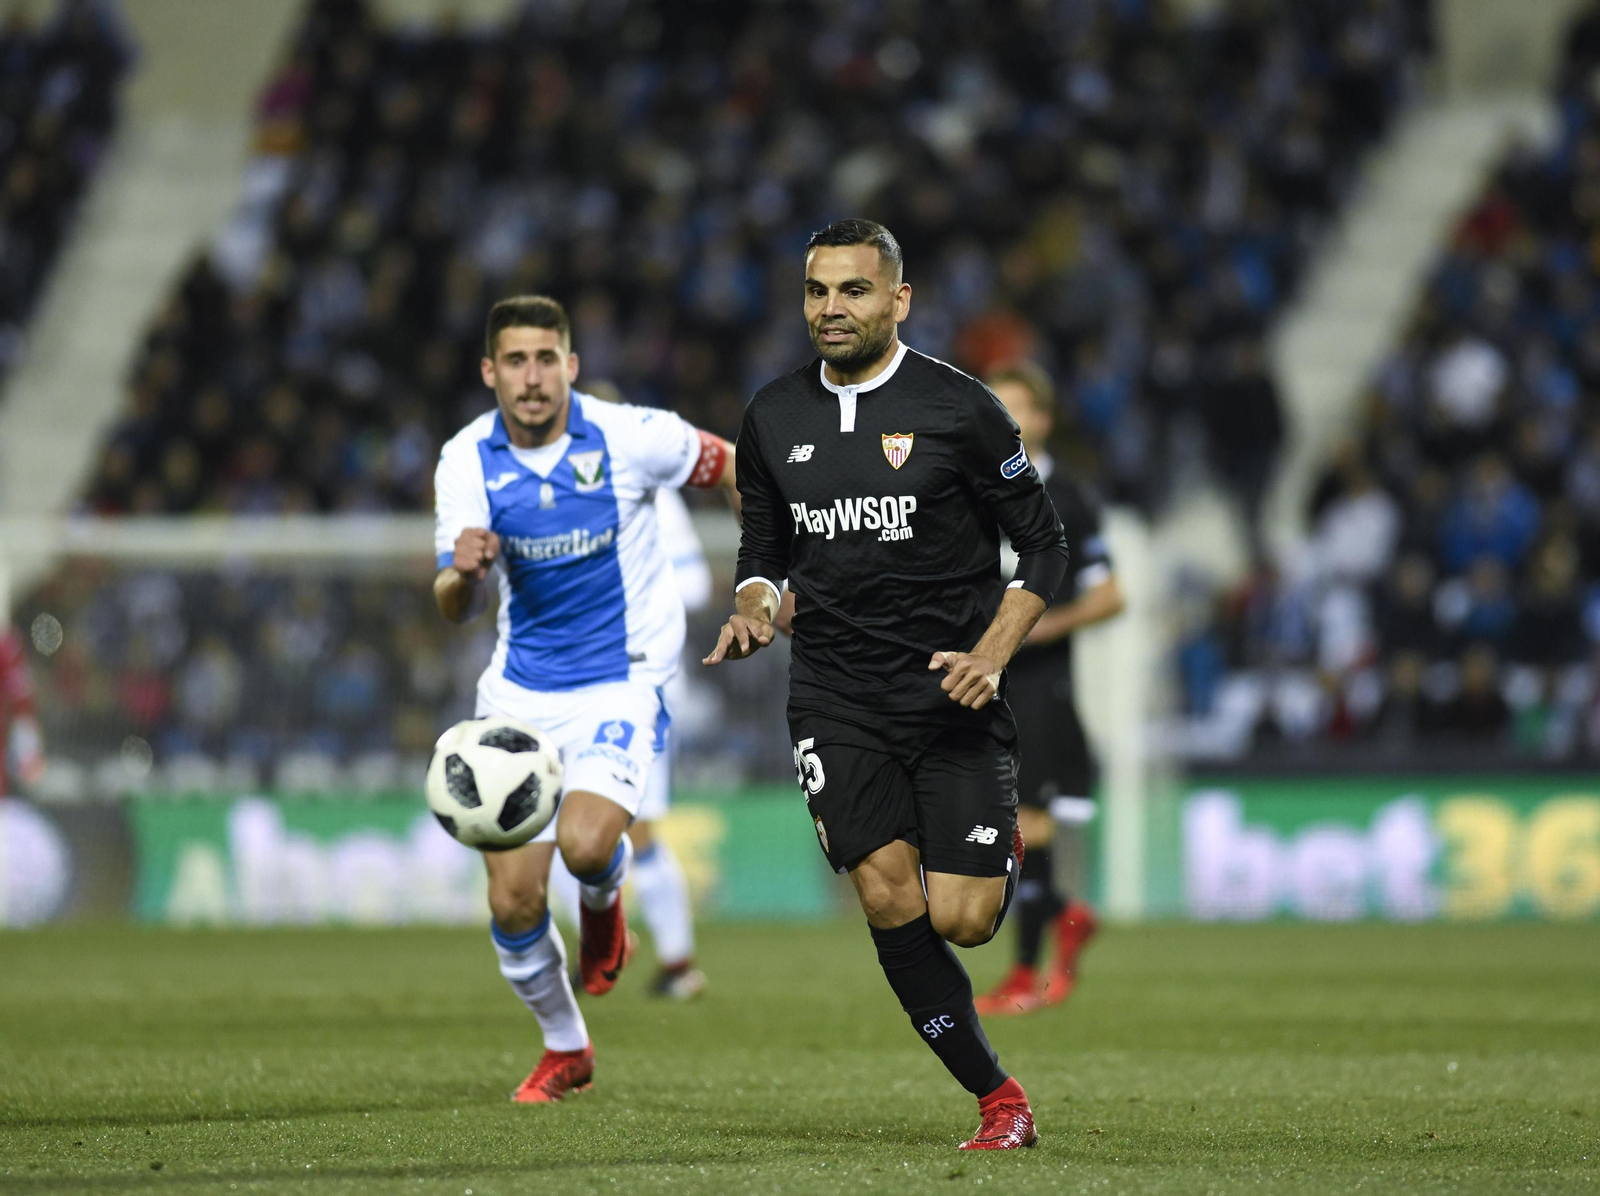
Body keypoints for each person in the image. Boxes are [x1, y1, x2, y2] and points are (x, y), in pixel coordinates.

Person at [704, 219, 1069, 1151]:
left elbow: (1043, 545)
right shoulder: (772, 415)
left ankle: (993, 846)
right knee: (886, 894)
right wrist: (752, 607)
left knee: (965, 918)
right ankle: (999, 1097)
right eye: (818, 290)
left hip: (953, 694)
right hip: (835, 697)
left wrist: (992, 653)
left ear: (898, 300)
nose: (832, 308)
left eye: (854, 290)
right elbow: (762, 552)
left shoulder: (961, 407)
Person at [433, 295, 738, 1103]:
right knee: (513, 898)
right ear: (490, 372)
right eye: (516, 361)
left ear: (570, 365)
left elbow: (738, 466)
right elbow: (453, 603)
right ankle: (565, 1046)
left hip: (621, 679)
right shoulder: (465, 459)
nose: (532, 378)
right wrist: (461, 573)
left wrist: (762, 580)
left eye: (546, 359)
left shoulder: (632, 435)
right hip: (519, 693)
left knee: (586, 842)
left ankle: (605, 905)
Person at [547, 382, 710, 1000]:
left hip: (639, 681)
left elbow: (695, 586)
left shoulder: (652, 495)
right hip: (564, 684)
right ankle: (611, 941)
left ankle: (675, 963)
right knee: (564, 825)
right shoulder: (546, 496)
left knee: (635, 828)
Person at [974, 363, 1124, 1016]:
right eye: (995, 409)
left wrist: (1033, 628)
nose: (1005, 422)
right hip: (976, 679)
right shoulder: (967, 487)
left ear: (1041, 419)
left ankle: (1023, 975)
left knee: (1027, 824)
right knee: (989, 827)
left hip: (1039, 685)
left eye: (1017, 409)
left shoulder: (1069, 497)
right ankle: (1066, 915)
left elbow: (1111, 596)